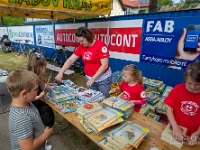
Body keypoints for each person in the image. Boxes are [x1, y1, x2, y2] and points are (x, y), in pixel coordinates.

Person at [55, 26, 112, 98]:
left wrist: (93, 79)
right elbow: (70, 60)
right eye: (79, 41)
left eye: (82, 41)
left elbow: (104, 65)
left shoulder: (100, 45)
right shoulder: (81, 47)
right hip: (89, 78)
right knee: (91, 99)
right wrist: (61, 72)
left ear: (88, 37)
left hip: (103, 79)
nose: (80, 43)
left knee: (104, 99)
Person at [6, 69, 53, 150]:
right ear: (24, 94)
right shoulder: (21, 118)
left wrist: (38, 97)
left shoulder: (24, 102)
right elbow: (28, 148)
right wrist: (46, 134)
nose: (38, 91)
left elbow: (32, 98)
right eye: (36, 89)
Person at [164, 60, 200, 146]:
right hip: (173, 127)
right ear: (185, 79)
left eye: (197, 84)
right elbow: (169, 109)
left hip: (192, 133)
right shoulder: (178, 89)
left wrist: (197, 133)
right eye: (189, 83)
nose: (192, 87)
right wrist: (175, 127)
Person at [27, 53, 55, 127]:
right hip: (31, 106)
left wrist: (49, 87)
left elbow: (43, 87)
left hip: (35, 103)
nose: (46, 69)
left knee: (48, 109)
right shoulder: (32, 81)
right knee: (48, 113)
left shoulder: (36, 77)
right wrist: (40, 96)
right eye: (45, 67)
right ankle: (44, 129)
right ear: (40, 67)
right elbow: (28, 99)